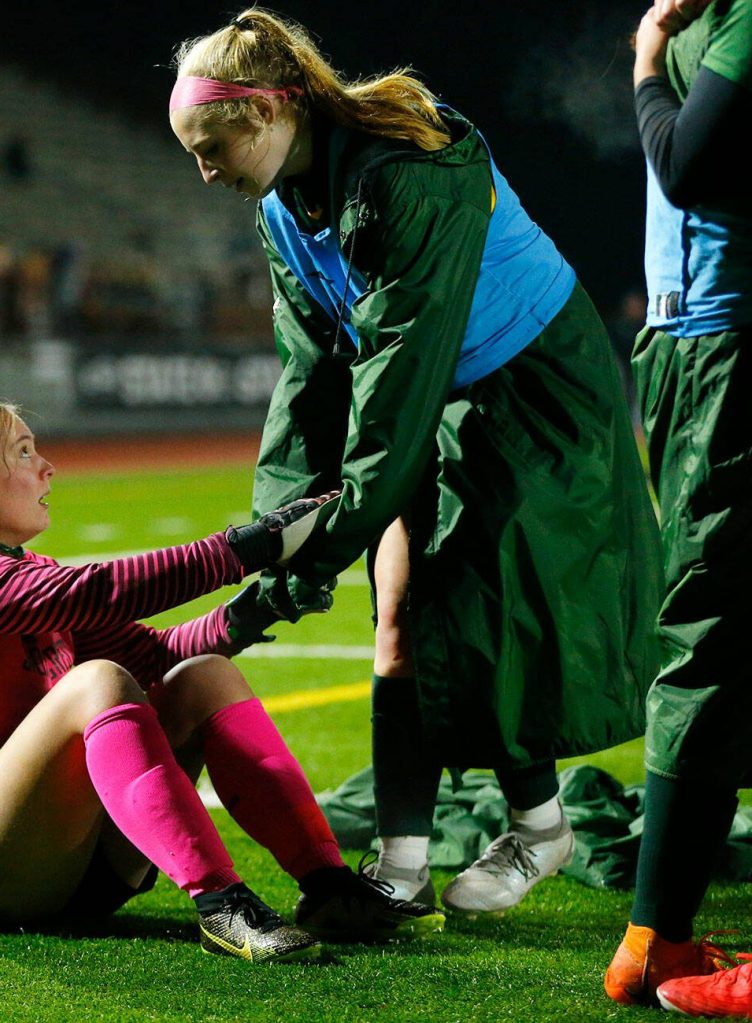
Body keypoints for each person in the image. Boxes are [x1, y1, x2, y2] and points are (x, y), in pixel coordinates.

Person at [168, 7, 663, 921]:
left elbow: (393, 395)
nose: (205, 172)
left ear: (274, 111)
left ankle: (541, 825)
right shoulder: (282, 207)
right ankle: (401, 866)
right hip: (436, 381)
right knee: (397, 613)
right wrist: (267, 539)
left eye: (212, 147)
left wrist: (283, 585)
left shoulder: (412, 174)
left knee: (482, 599)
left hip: (532, 381)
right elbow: (311, 376)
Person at [0, 398, 444, 966]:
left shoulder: (25, 573)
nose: (47, 467)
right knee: (97, 684)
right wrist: (252, 545)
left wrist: (254, 611)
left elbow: (152, 655)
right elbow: (101, 594)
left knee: (204, 676)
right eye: (23, 452)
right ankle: (222, 903)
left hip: (69, 873)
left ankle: (329, 887)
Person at [603, 0, 752, 1012]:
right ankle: (658, 937)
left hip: (709, 346)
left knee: (712, 633)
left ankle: (657, 936)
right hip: (704, 345)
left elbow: (689, 167)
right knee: (713, 633)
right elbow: (690, 169)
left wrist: (648, 66)